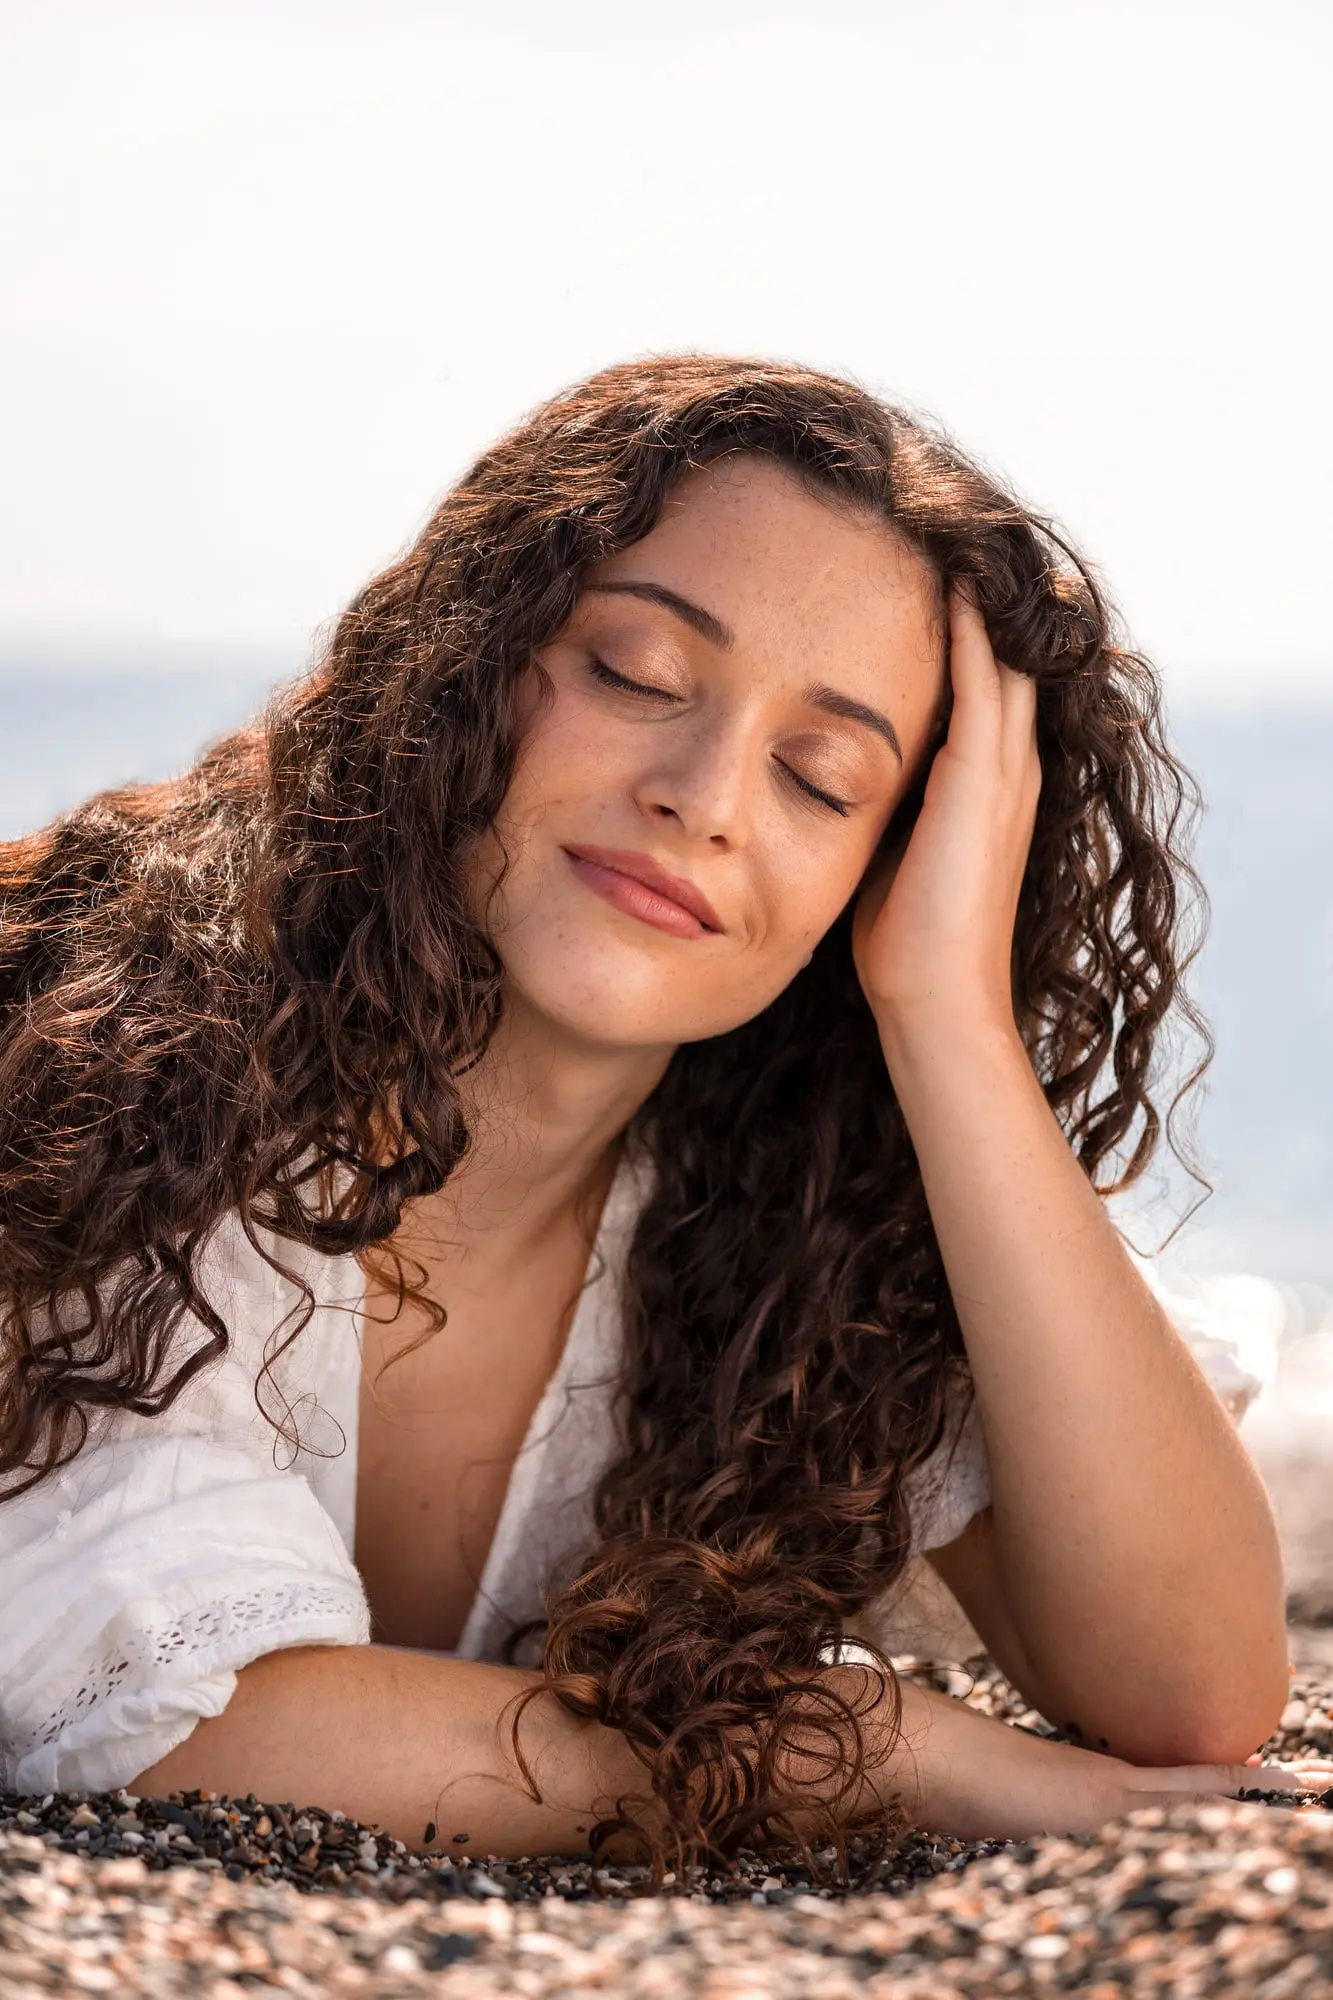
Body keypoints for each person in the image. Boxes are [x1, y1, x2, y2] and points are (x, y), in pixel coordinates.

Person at [0, 356, 1304, 1873]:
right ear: (463, 666)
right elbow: (203, 1734)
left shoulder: (781, 1235)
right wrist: (872, 1745)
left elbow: (1191, 1686)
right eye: (633, 674)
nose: (707, 795)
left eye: (823, 778)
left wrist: (947, 1018)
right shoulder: (118, 1086)